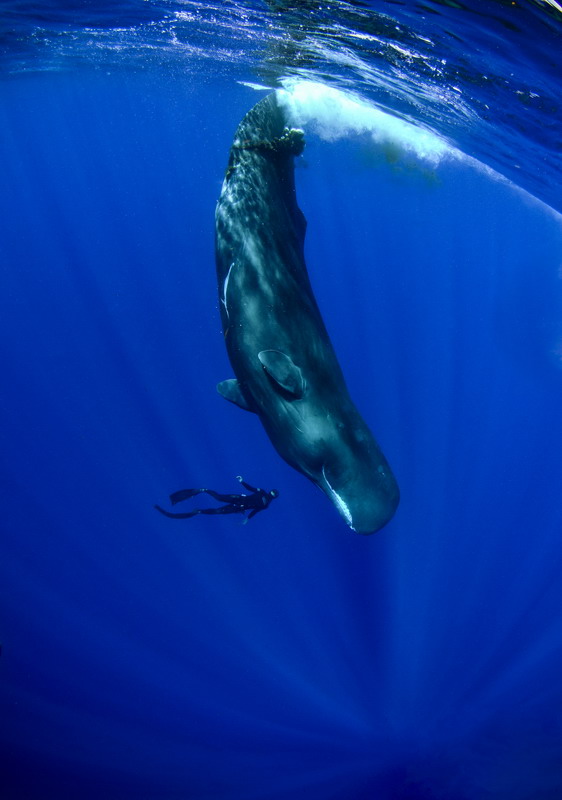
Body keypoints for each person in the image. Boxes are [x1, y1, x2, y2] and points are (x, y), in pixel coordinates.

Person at [154, 476, 278, 522]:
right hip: (239, 504)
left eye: (271, 493)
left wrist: (242, 482)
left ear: (271, 494)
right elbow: (255, 509)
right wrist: (248, 518)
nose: (270, 494)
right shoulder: (265, 502)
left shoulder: (262, 493)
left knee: (218, 502)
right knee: (218, 505)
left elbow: (251, 491)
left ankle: (203, 495)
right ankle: (201, 503)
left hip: (239, 503)